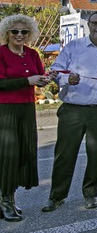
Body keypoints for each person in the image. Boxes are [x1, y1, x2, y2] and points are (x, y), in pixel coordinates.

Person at [43, 12, 97, 212]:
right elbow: (57, 71)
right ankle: (56, 196)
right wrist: (65, 80)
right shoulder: (74, 47)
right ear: (88, 25)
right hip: (73, 109)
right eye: (95, 23)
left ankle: (91, 194)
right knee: (64, 154)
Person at [0, 15, 51, 221]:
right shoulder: (1, 53)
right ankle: (5, 200)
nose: (19, 35)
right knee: (8, 156)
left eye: (24, 32)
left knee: (23, 153)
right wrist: (27, 80)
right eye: (15, 31)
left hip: (27, 108)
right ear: (7, 33)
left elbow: (39, 77)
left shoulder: (32, 54)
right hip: (6, 110)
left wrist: (45, 80)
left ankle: (9, 199)